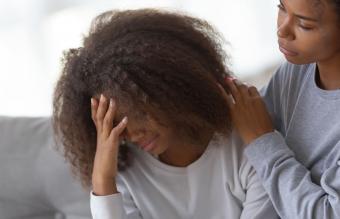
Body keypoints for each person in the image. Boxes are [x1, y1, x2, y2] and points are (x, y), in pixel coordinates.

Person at [52, 9, 278, 219]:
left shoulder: (246, 145)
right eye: (116, 123)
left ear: (171, 91)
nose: (132, 133)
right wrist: (103, 180)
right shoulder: (124, 174)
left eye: (138, 113)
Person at [220, 0, 340, 218]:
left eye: (305, 25)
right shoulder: (298, 70)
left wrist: (262, 141)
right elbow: (245, 127)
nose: (282, 30)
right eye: (282, 7)